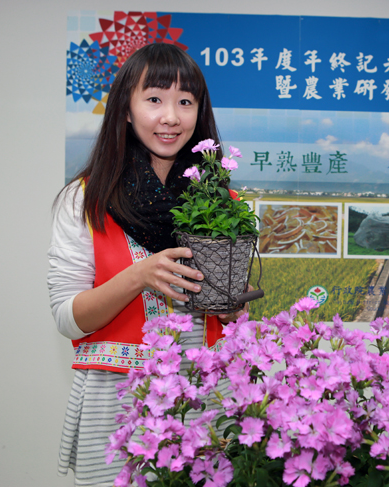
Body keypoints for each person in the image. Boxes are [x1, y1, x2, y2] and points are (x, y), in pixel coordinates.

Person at [48, 43, 244, 485]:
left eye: (185, 102)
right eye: (154, 99)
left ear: (200, 113)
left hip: (209, 399)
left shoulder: (219, 203)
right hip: (119, 401)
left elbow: (227, 321)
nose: (170, 116)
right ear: (126, 109)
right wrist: (139, 276)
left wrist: (231, 309)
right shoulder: (85, 199)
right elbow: (67, 317)